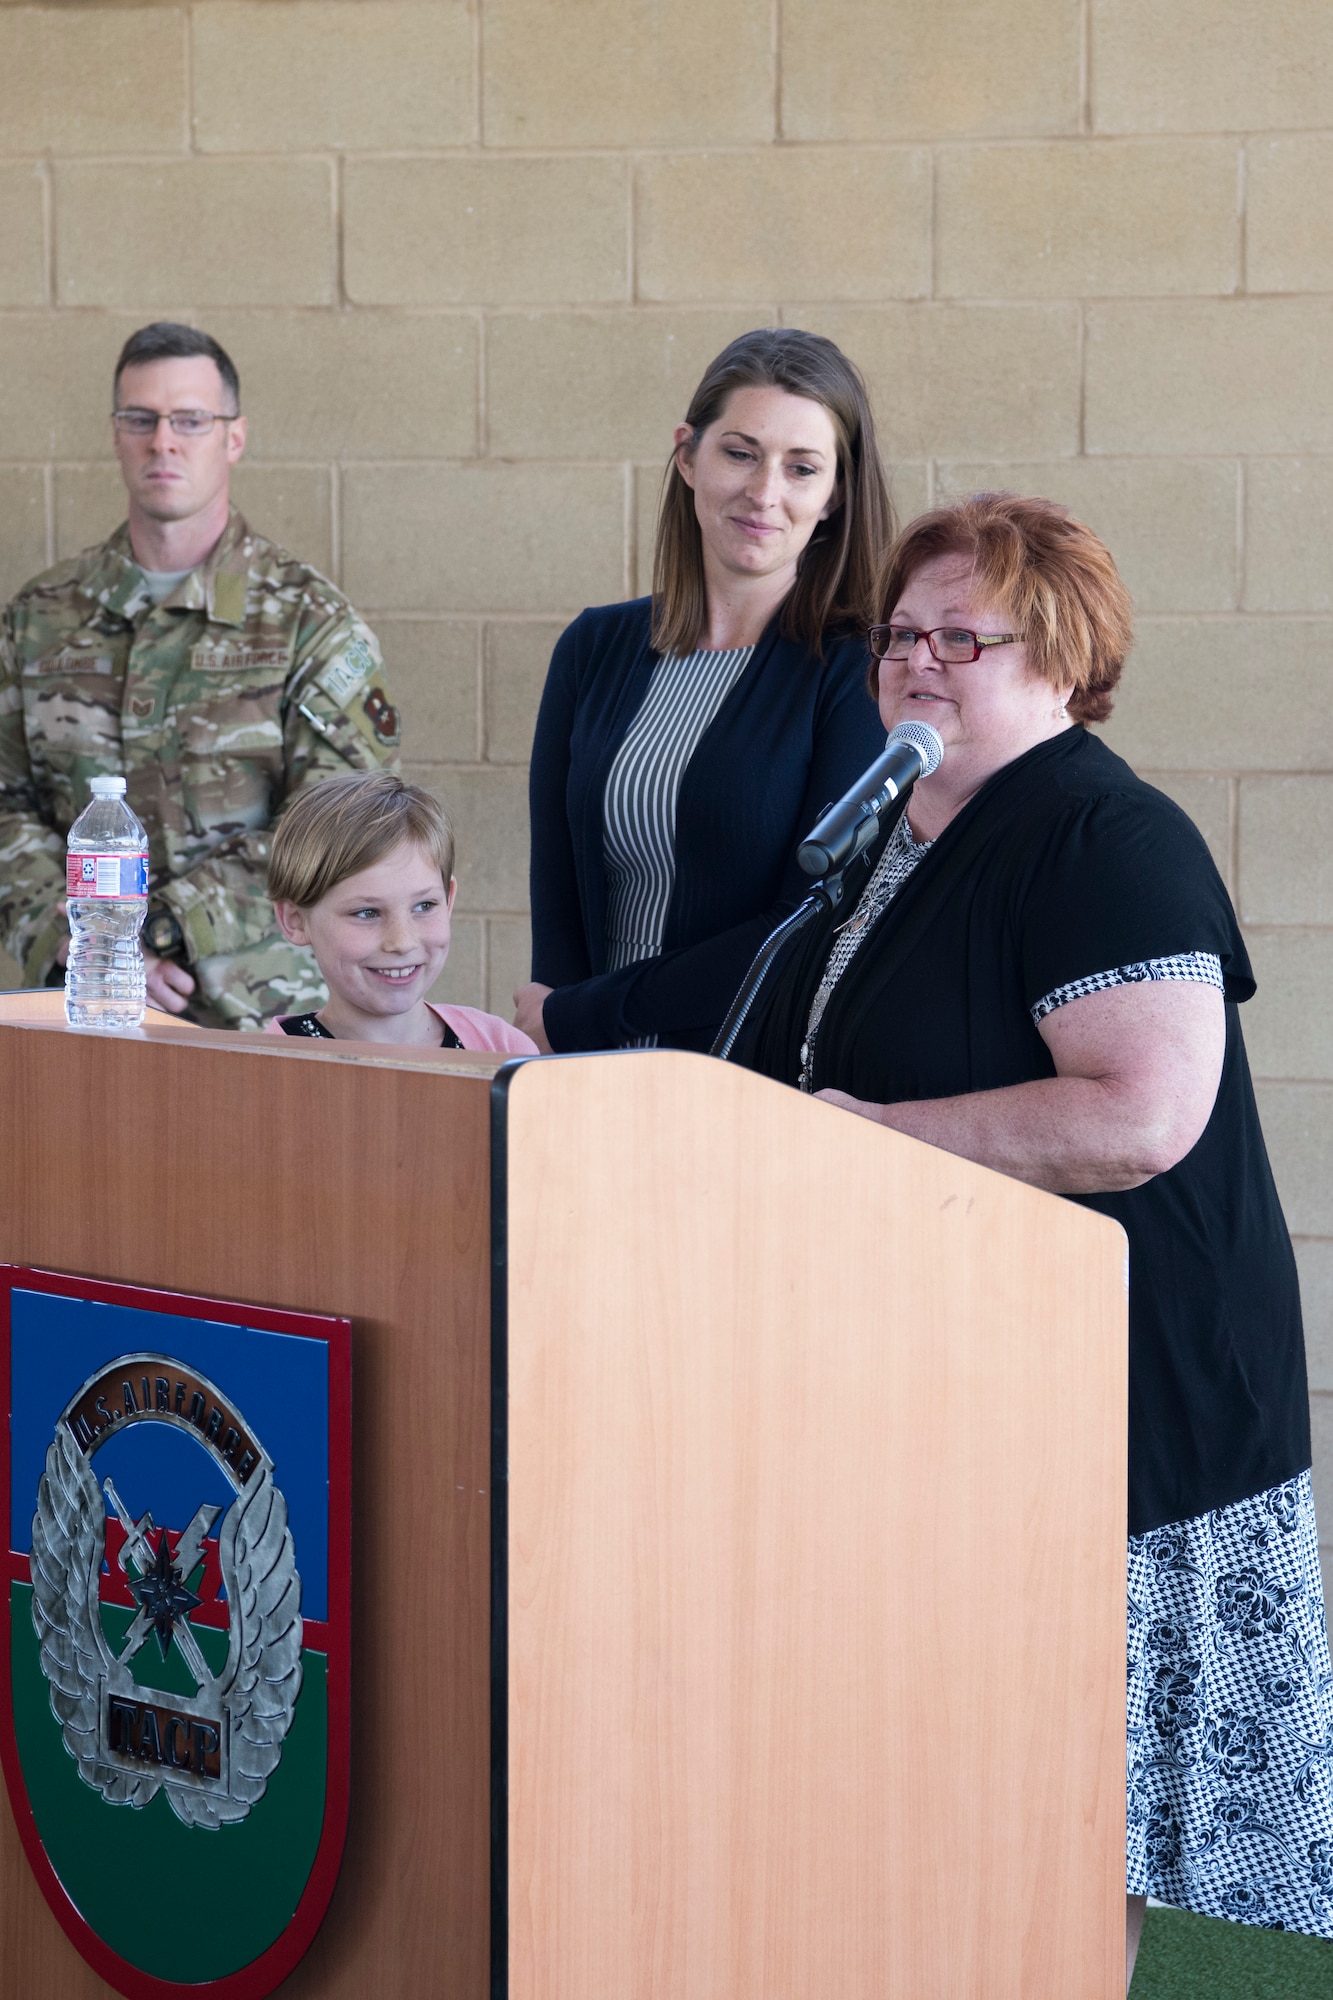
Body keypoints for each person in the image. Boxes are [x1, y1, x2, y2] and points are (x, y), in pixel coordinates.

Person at [735, 493, 1332, 1987]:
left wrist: (857, 1143)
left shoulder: (1101, 834)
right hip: (963, 1395)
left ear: (1059, 661)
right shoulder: (907, 822)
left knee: (1065, 1810)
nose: (916, 664)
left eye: (960, 638)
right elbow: (756, 1005)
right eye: (898, 635)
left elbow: (1139, 1114)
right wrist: (549, 1026)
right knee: (956, 1786)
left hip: (1119, 1406)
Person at [0, 321, 402, 1030]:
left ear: (233, 437)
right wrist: (72, 939)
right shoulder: (40, 619)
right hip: (82, 1006)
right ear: (116, 432)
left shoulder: (307, 620)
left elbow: (344, 824)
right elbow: (6, 806)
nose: (163, 441)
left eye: (190, 419)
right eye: (140, 419)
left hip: (264, 1018)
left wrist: (151, 932)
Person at [514, 326, 891, 1055]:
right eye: (740, 453)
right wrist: (565, 1037)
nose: (763, 493)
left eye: (801, 468)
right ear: (687, 455)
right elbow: (557, 889)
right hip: (592, 1070)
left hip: (751, 1083)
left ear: (836, 493)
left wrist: (586, 1013)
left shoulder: (856, 672)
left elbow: (805, 926)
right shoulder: (593, 649)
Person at [266, 771, 536, 1054]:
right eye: (367, 912)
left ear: (449, 899)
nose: (402, 941)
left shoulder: (503, 1050)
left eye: (424, 906)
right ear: (295, 921)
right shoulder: (262, 1071)